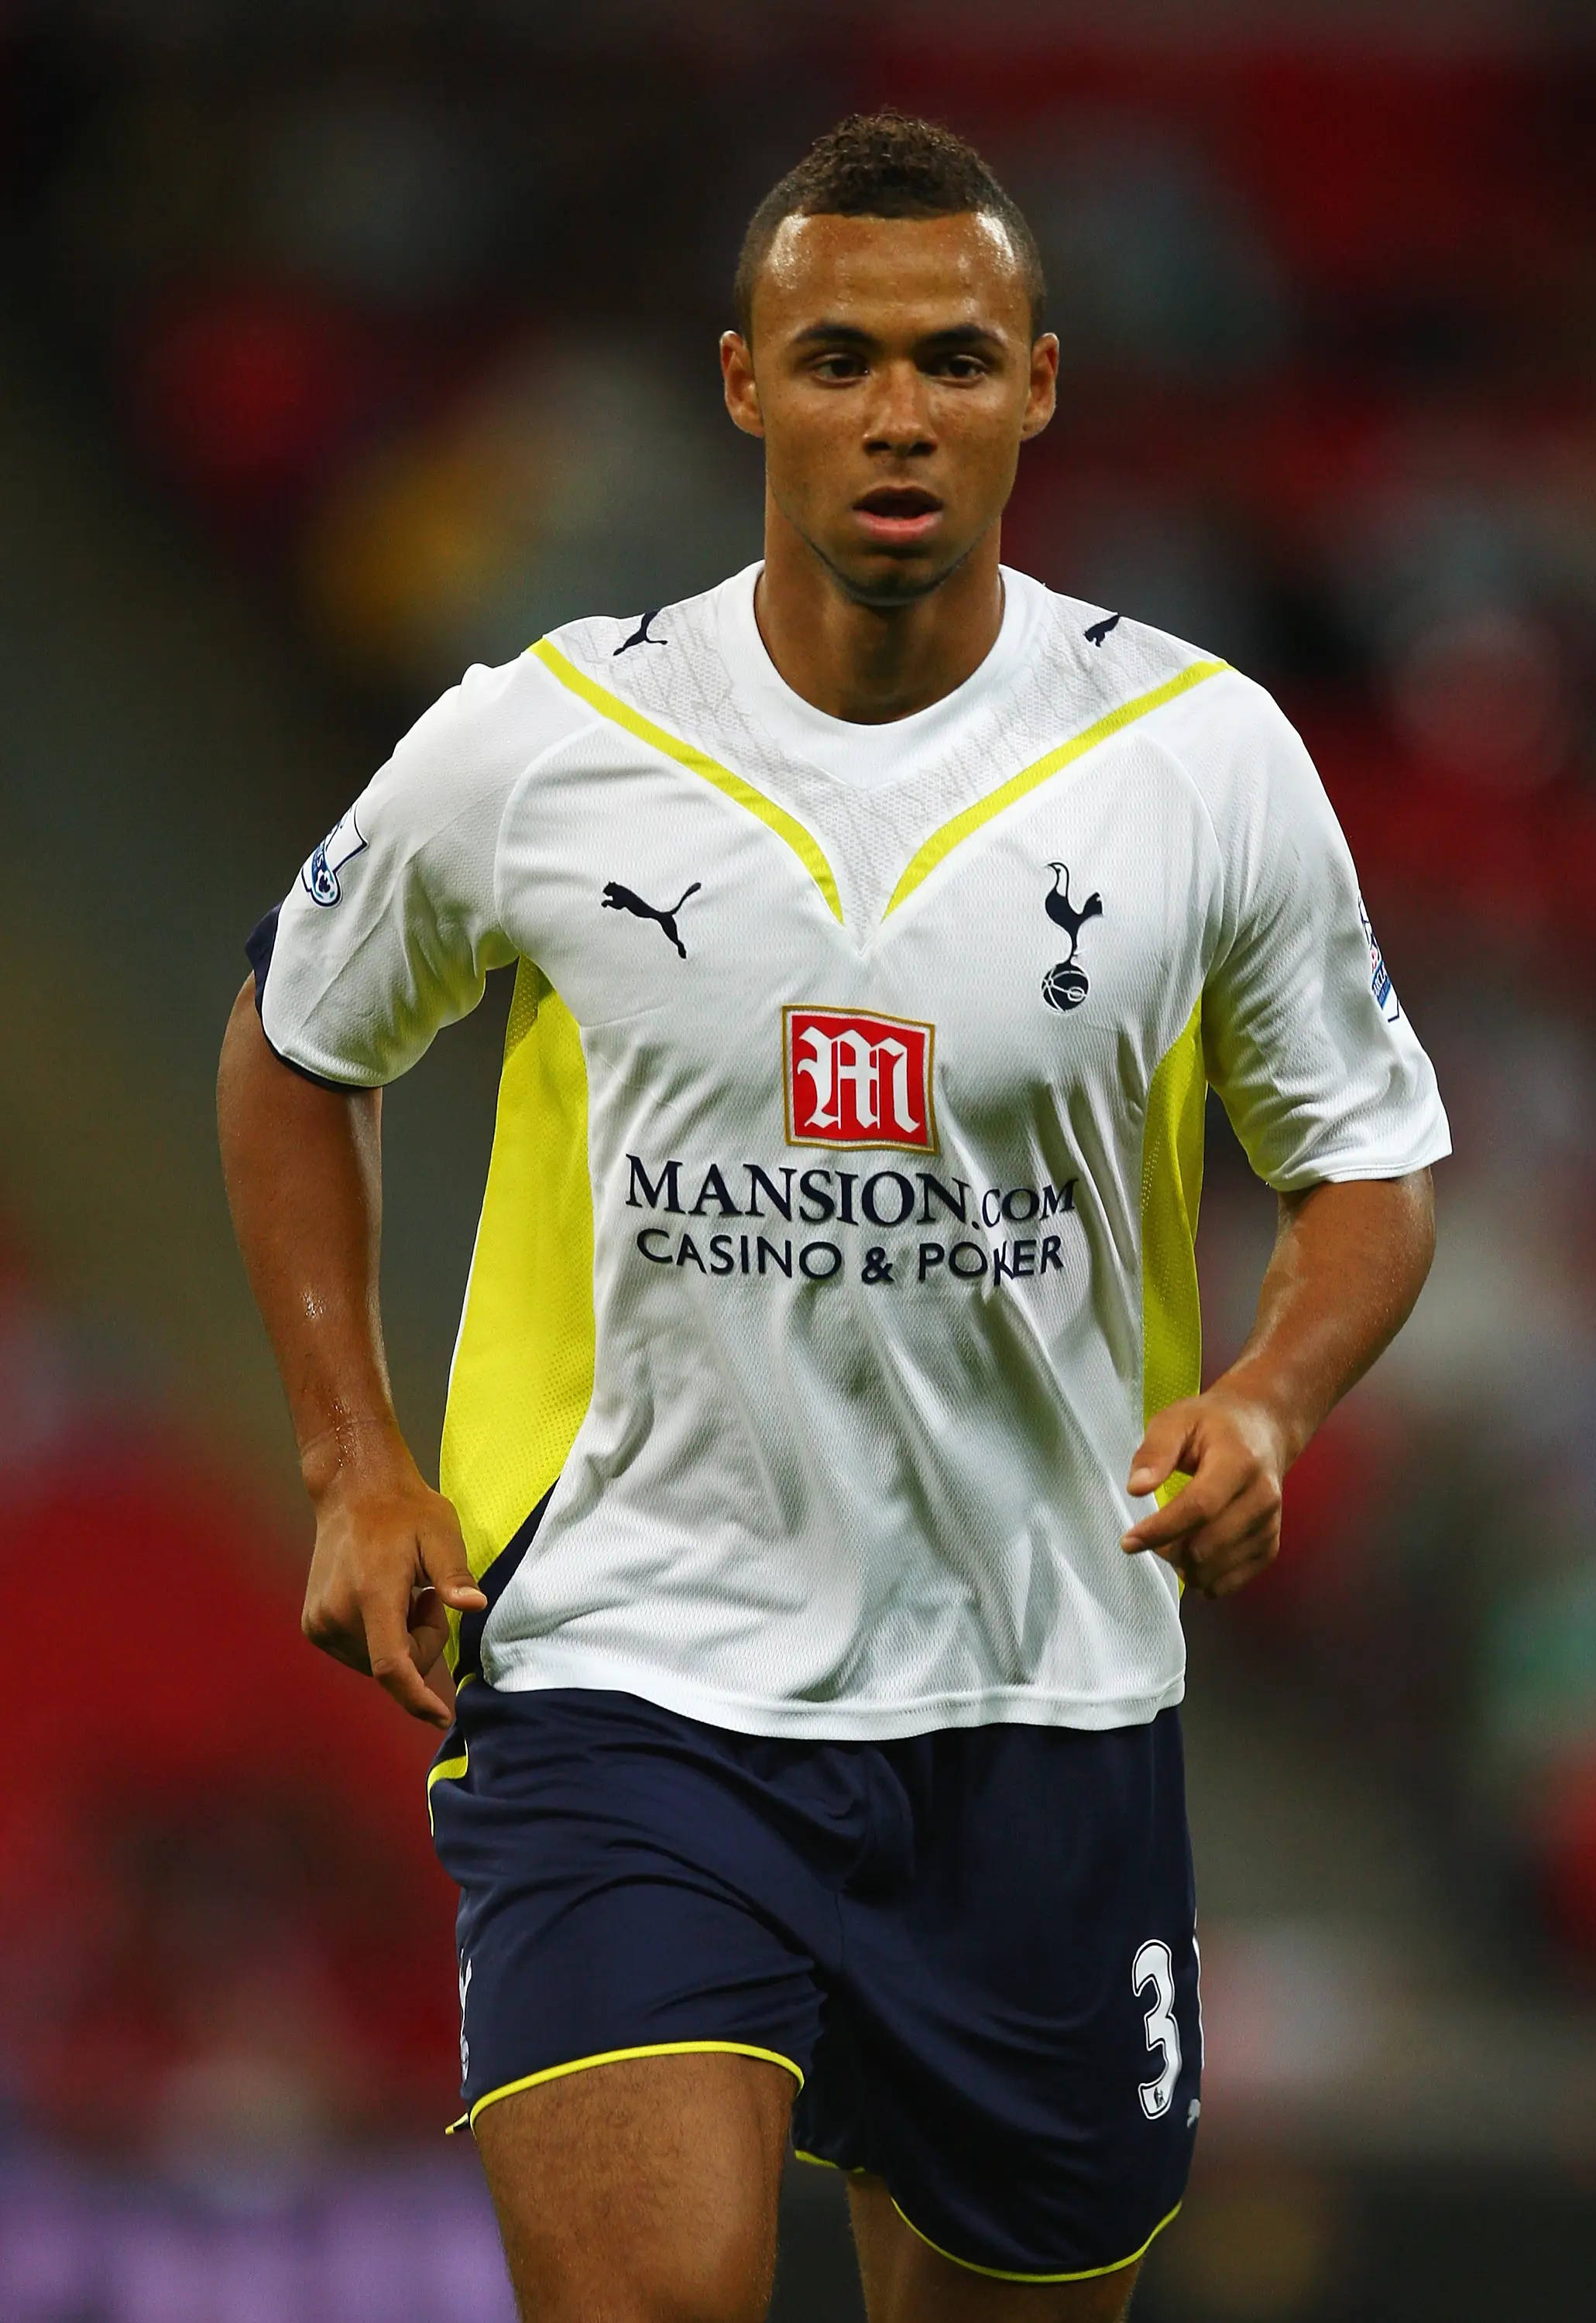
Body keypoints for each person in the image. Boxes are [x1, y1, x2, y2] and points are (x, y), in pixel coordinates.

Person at [218, 112, 1447, 2323]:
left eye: (956, 361)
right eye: (841, 357)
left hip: (1040, 1702)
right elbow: (299, 1039)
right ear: (741, 382)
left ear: (1039, 388)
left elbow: (1364, 1155)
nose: (898, 413)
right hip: (629, 1680)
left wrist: (1267, 1397)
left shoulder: (1201, 756)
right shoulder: (545, 742)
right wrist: (347, 1454)